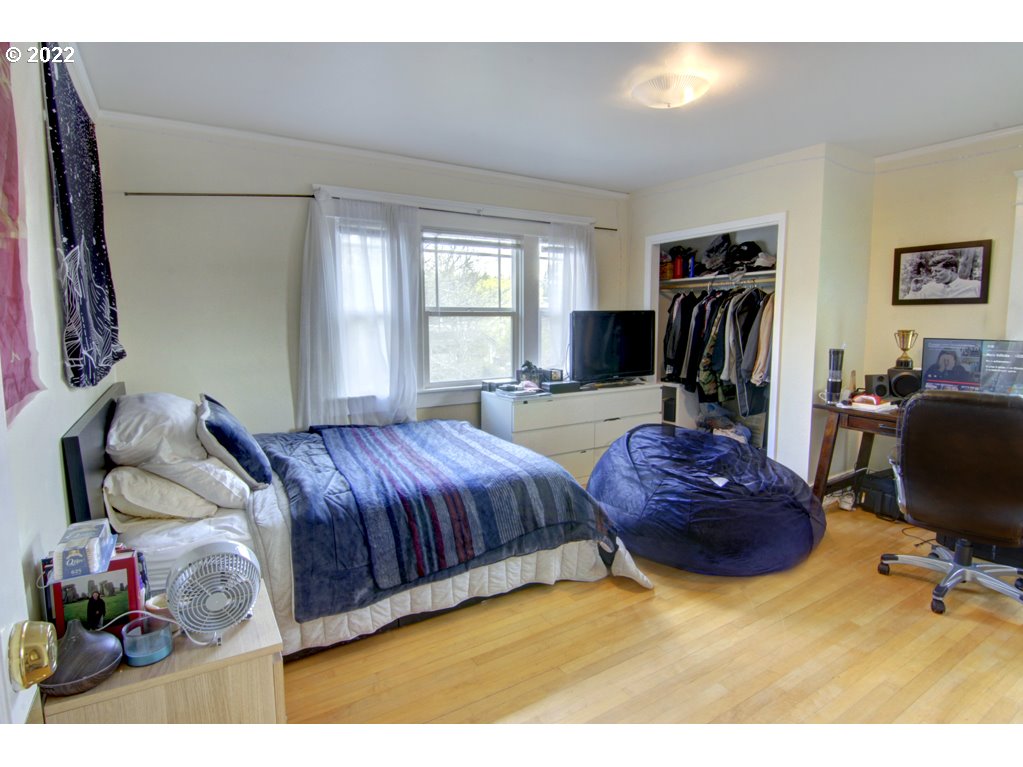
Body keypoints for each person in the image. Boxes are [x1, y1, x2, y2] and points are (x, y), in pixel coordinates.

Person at [917, 255, 981, 299]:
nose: (933, 275)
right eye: (932, 271)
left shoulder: (975, 286)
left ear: (952, 270)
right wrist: (914, 291)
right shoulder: (928, 288)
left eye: (938, 271)